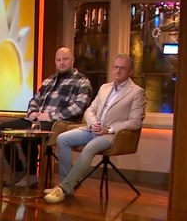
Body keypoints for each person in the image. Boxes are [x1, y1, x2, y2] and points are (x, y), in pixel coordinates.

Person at [44, 54, 146, 204]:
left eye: (122, 68)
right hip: (92, 129)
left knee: (90, 148)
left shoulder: (136, 92)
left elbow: (135, 122)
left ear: (130, 71)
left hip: (111, 135)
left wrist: (109, 129)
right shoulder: (105, 87)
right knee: (62, 139)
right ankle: (68, 186)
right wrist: (93, 123)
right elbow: (90, 109)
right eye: (116, 67)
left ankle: (63, 189)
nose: (118, 71)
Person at [0, 47, 93, 188]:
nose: (62, 63)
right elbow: (35, 100)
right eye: (58, 60)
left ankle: (31, 175)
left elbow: (79, 107)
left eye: (65, 59)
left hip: (59, 122)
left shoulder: (82, 81)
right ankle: (18, 170)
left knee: (30, 133)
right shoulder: (49, 81)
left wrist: (49, 116)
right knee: (1, 130)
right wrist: (32, 112)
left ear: (72, 60)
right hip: (37, 119)